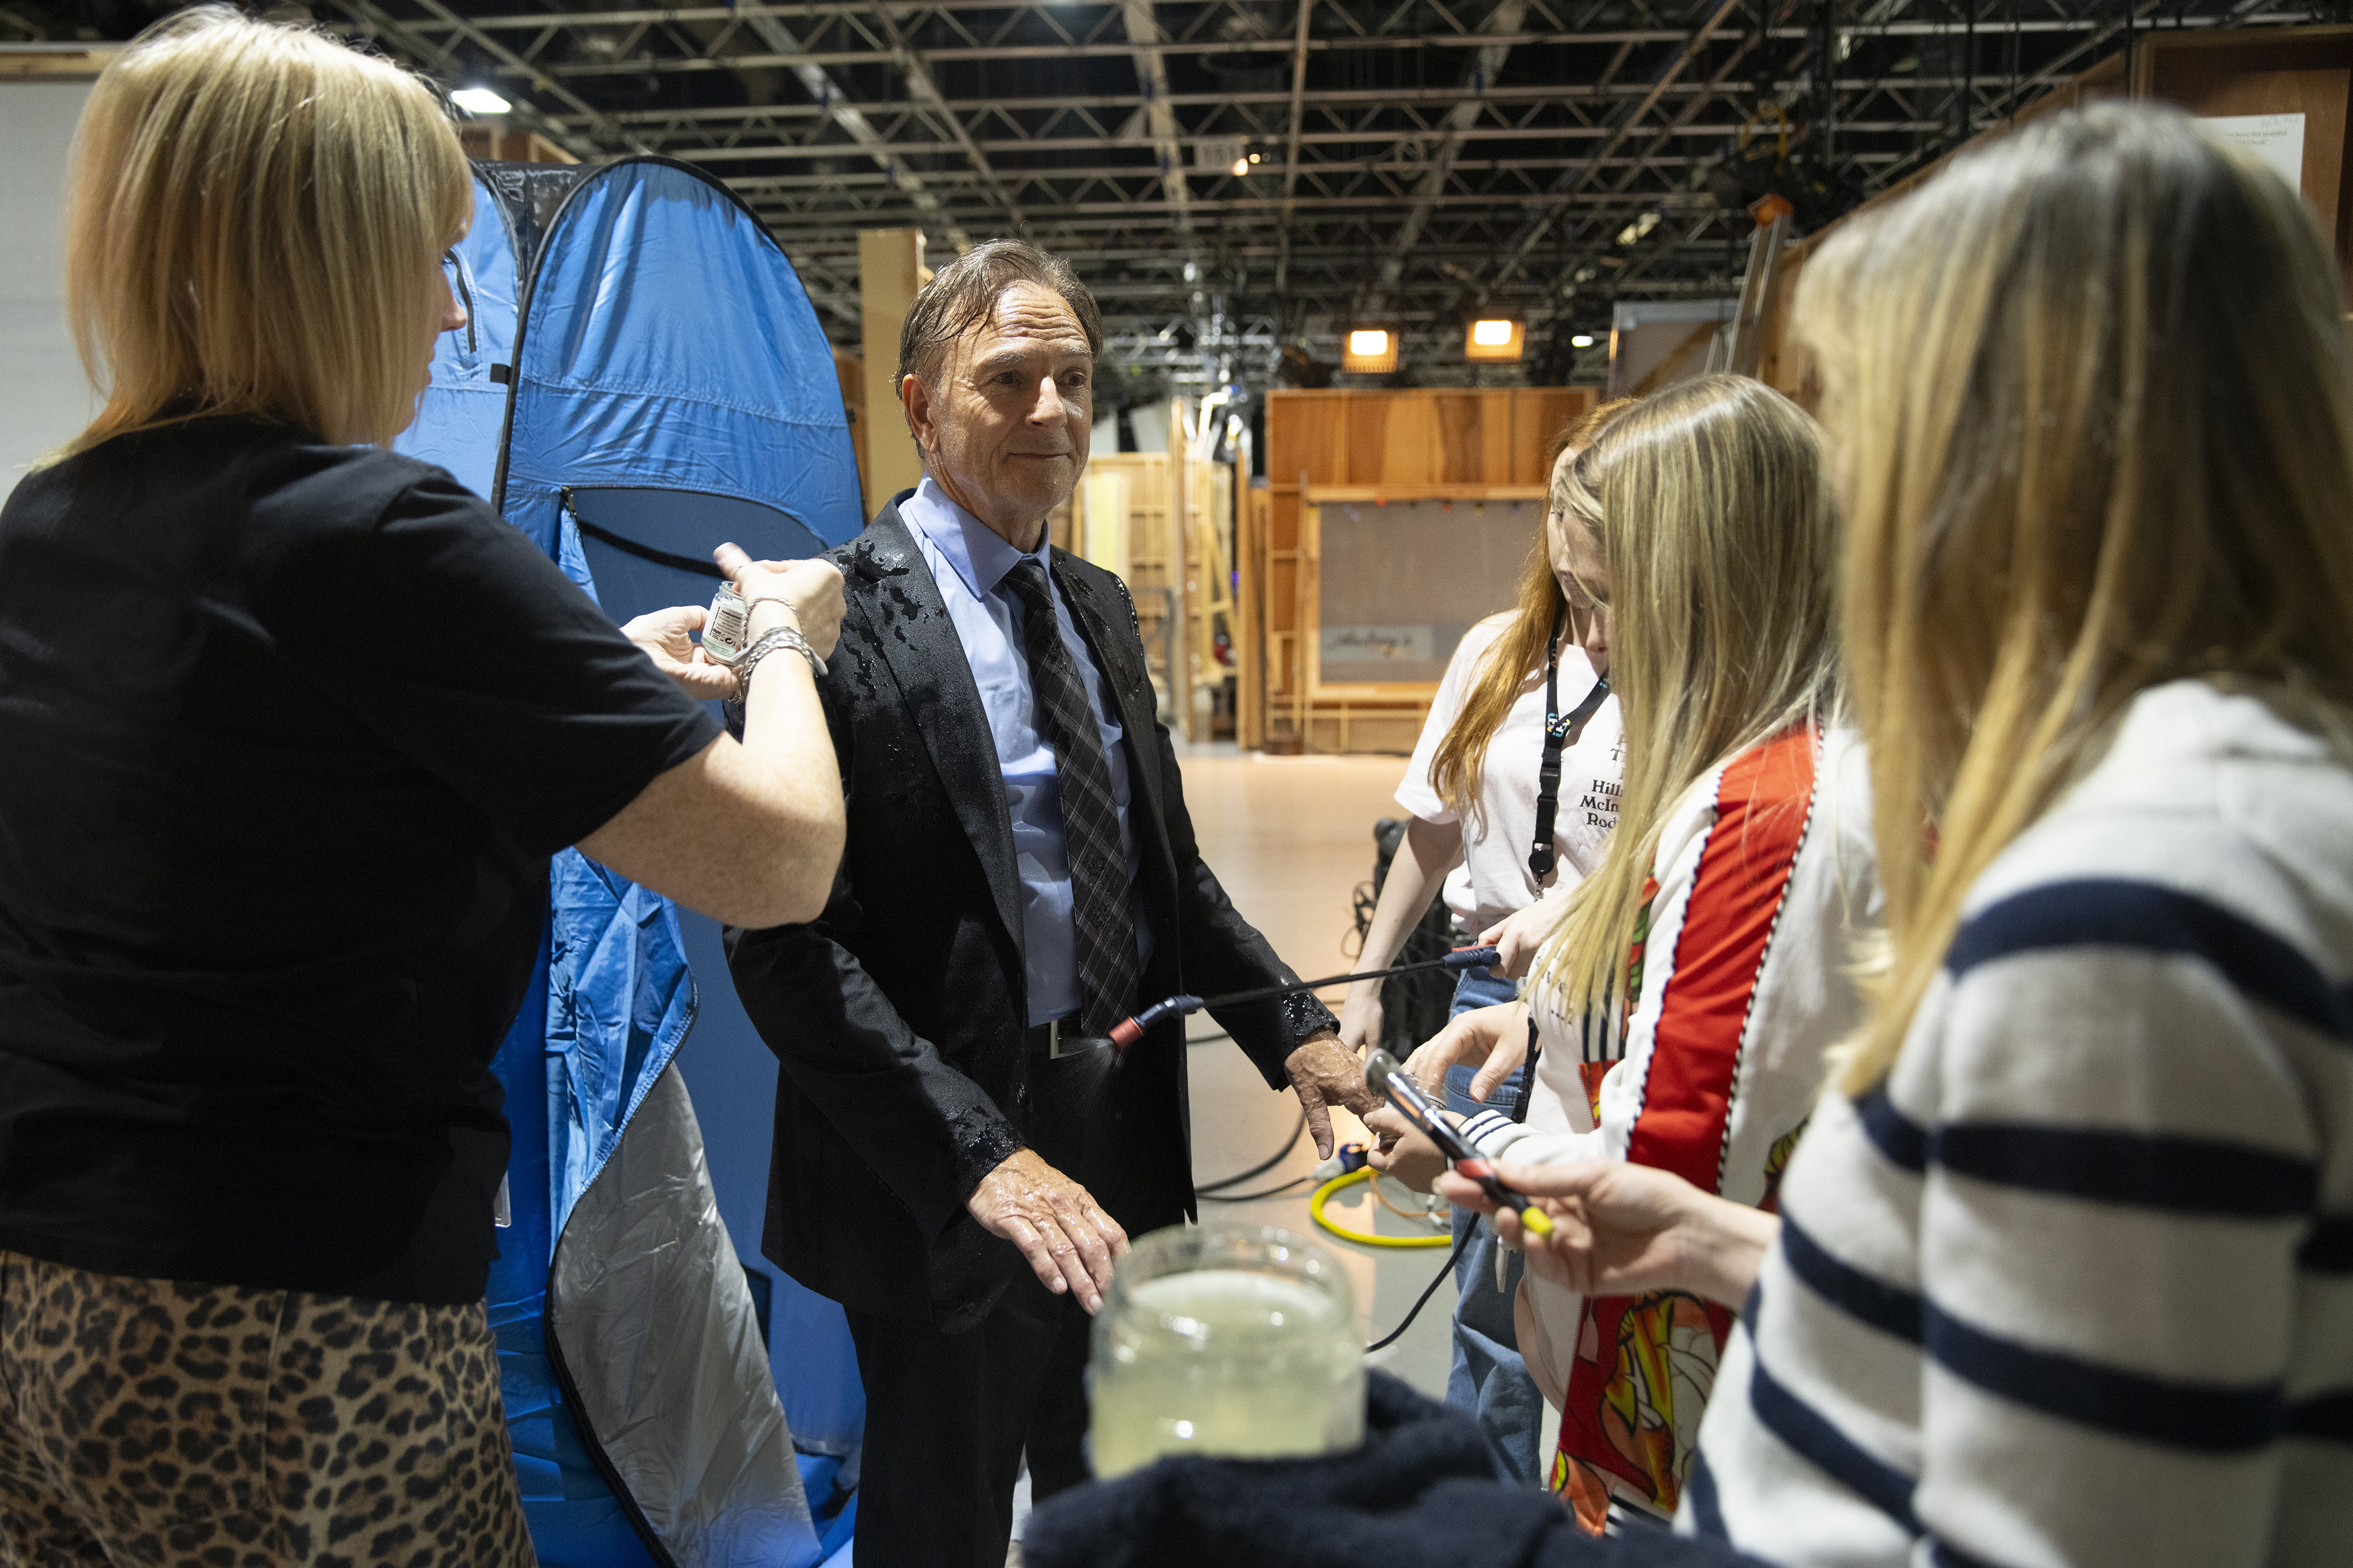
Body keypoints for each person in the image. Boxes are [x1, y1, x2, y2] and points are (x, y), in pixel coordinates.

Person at [1444, 103, 2353, 1568]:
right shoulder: (2245, 802)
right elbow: (2038, 1320)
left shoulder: (2140, 900)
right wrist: (1723, 1243)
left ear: (1997, 464)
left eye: (1869, 425)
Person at [0, 12, 846, 1565]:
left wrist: (572, 670)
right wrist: (785, 647)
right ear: (324, 262)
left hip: (53, 1299)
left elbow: (272, 749)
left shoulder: (55, 523)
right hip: (305, 1334)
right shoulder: (384, 538)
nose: (457, 311)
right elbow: (780, 859)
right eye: (434, 259)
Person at [724, 239, 1379, 1568]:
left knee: (1111, 1502)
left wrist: (1296, 1030)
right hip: (941, 1164)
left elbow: (1167, 882)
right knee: (941, 1522)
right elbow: (785, 948)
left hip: (1118, 1134)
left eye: (1073, 379)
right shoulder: (831, 619)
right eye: (1009, 379)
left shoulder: (1093, 603)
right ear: (918, 405)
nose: (1053, 414)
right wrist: (981, 1156)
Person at [1374, 374, 1878, 1530]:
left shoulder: (1762, 811)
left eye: (1607, 600)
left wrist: (1453, 1141)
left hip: (1683, 1440)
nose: (1589, 638)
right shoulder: (1806, 753)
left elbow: (1654, 1194)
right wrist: (1540, 1013)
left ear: (1717, 588)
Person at [1337, 398, 1631, 1482]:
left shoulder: (1698, 678)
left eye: (1618, 592)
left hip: (1614, 1013)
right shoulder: (1497, 656)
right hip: (1482, 1007)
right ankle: (1494, 1523)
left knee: (1603, 1307)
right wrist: (1369, 984)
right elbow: (1432, 827)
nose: (1594, 626)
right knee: (1488, 1305)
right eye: (1579, 590)